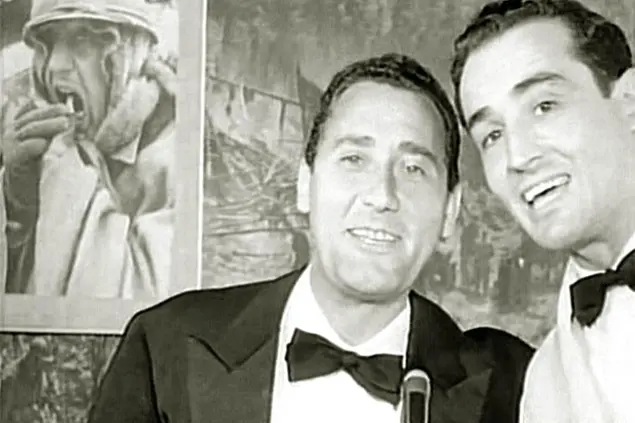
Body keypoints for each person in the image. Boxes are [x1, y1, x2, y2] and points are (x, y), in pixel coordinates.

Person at [87, 53, 533, 423]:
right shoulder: (165, 345)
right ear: (305, 184)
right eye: (354, 159)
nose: (382, 195)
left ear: (450, 210)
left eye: (413, 168)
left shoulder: (515, 384)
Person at [450, 0, 635, 421]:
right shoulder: (542, 383)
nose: (518, 156)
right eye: (492, 135)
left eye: (544, 106)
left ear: (629, 102)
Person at [1, 0, 177, 297]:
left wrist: (63, 178)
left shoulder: (173, 157)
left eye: (83, 38)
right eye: (48, 44)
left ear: (129, 53)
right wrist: (18, 202)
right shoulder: (22, 123)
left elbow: (140, 301)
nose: (55, 65)